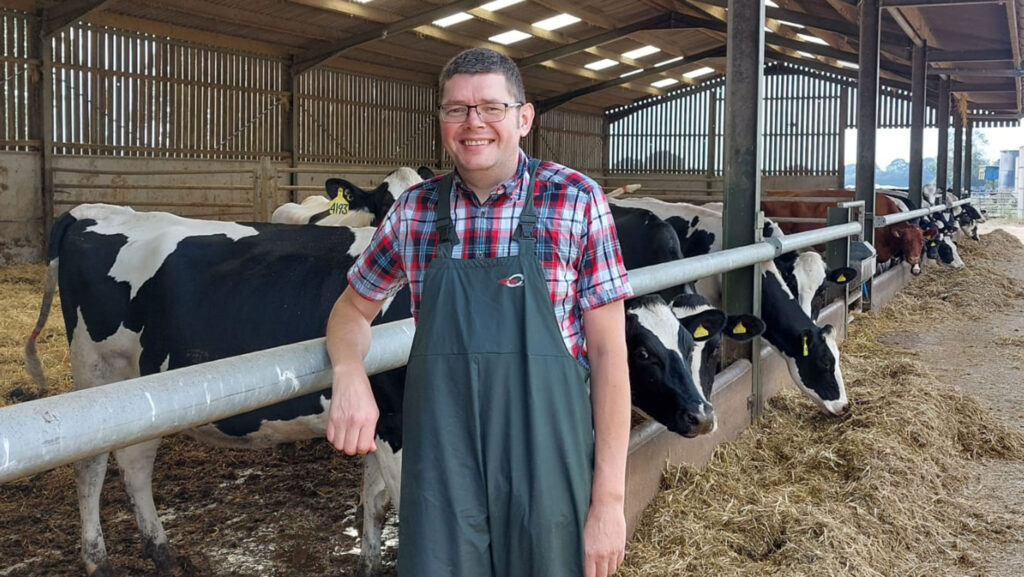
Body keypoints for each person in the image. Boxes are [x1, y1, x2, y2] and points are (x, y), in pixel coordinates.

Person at [325, 47, 633, 577]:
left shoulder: (578, 201)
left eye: (491, 107)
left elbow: (609, 356)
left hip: (547, 466)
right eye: (457, 109)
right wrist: (351, 372)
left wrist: (608, 502)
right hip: (444, 469)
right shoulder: (414, 211)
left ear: (523, 117)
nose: (474, 124)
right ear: (442, 120)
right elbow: (351, 311)